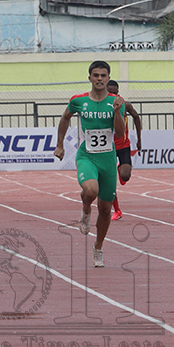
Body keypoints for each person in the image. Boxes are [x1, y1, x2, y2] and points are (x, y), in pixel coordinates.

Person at [54, 61, 126, 267]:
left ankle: (98, 247)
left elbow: (120, 133)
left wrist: (117, 112)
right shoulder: (78, 101)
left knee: (105, 210)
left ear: (108, 77)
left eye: (103, 75)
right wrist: (60, 145)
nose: (100, 79)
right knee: (90, 189)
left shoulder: (116, 101)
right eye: (96, 75)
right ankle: (86, 209)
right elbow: (65, 118)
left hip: (108, 159)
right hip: (87, 156)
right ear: (90, 78)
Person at [106, 80, 142, 221]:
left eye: (114, 92)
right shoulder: (100, 106)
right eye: (109, 92)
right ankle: (117, 210)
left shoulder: (124, 105)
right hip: (107, 148)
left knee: (125, 176)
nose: (112, 95)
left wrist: (139, 139)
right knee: (110, 183)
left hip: (123, 145)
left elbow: (136, 117)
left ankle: (121, 167)